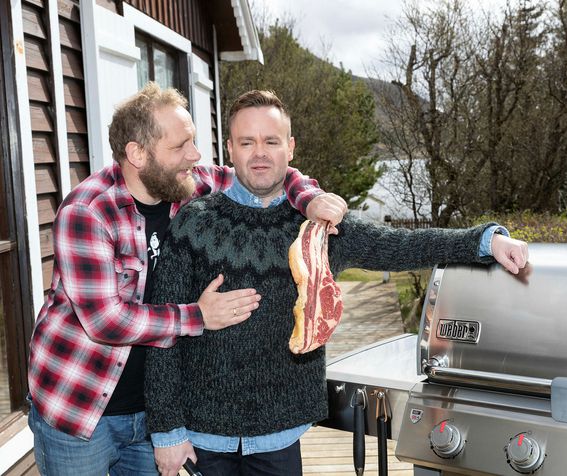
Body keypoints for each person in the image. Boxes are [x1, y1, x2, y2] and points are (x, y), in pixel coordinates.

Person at [144, 90, 529, 476]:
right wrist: (166, 433)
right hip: (201, 437)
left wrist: (485, 241)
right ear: (230, 148)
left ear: (290, 147)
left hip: (280, 433)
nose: (259, 153)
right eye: (247, 142)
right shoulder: (195, 222)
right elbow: (162, 333)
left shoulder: (320, 226)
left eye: (271, 141)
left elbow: (397, 245)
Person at [26, 83, 347, 476]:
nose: (195, 156)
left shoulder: (185, 182)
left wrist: (309, 197)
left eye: (193, 142)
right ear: (137, 154)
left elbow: (261, 171)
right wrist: (198, 316)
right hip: (81, 404)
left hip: (150, 408)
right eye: (181, 146)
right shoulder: (88, 212)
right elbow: (105, 320)